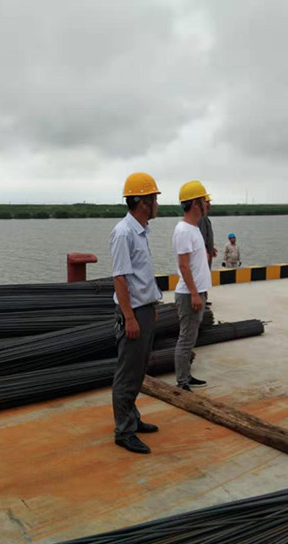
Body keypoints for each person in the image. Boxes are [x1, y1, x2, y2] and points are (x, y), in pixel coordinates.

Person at [109, 172, 163, 454]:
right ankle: (124, 431)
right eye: (154, 198)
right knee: (127, 373)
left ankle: (132, 418)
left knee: (138, 369)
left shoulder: (141, 230)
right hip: (132, 313)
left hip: (144, 309)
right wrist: (129, 317)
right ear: (143, 202)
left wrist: (151, 306)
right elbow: (120, 278)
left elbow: (141, 276)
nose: (157, 204)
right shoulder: (124, 233)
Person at [172, 180, 212, 391]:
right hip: (189, 294)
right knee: (186, 339)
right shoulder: (183, 230)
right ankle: (182, 382)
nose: (207, 204)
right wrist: (195, 294)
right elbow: (183, 266)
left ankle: (186, 375)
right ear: (196, 203)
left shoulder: (193, 228)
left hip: (196, 292)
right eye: (204, 200)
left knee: (191, 337)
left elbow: (193, 260)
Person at [197, 196, 218, 268]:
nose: (209, 205)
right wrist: (205, 250)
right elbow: (201, 236)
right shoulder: (202, 218)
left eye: (209, 202)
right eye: (207, 202)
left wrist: (210, 247)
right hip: (203, 258)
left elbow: (206, 236)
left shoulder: (205, 218)